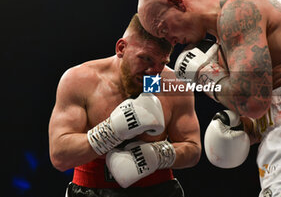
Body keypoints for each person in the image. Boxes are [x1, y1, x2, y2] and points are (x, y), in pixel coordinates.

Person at [137, 0, 281, 196]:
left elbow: (252, 102)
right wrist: (248, 128)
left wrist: (205, 76)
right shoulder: (226, 37)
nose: (171, 41)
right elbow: (271, 96)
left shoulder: (237, 11)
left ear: (177, 2)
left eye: (163, 30)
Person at [48, 13, 201, 197]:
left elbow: (193, 149)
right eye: (145, 59)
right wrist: (111, 131)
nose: (153, 72)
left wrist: (157, 155)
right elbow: (60, 156)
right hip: (91, 190)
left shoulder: (172, 84)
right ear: (121, 48)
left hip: (158, 190)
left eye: (162, 62)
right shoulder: (80, 80)